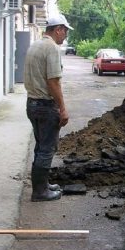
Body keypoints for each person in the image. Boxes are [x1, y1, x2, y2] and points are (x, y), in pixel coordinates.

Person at [24, 14, 74, 202]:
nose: (65, 36)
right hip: (45, 106)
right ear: (58, 29)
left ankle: (42, 185)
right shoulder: (51, 48)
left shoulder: (35, 45)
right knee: (47, 149)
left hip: (32, 104)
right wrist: (62, 108)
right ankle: (39, 192)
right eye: (65, 31)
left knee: (40, 146)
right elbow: (53, 82)